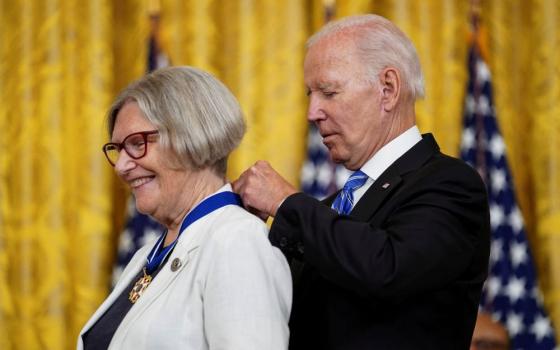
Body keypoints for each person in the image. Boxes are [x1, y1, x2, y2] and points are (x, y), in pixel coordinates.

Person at [233, 14, 490, 350]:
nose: (312, 112)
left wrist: (285, 203)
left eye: (328, 91)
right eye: (311, 94)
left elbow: (387, 268)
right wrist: (243, 237)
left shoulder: (450, 184)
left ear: (388, 89)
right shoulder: (328, 213)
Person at [77, 66, 291, 350]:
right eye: (117, 149)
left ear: (191, 135)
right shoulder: (146, 255)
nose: (122, 166)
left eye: (137, 144)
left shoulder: (236, 240)